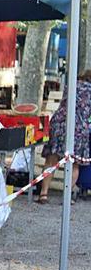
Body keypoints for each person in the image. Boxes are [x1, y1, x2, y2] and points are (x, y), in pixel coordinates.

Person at [37, 69, 91, 205]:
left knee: (51, 160)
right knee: (75, 164)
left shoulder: (71, 84)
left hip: (59, 124)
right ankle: (66, 197)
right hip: (79, 128)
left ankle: (43, 194)